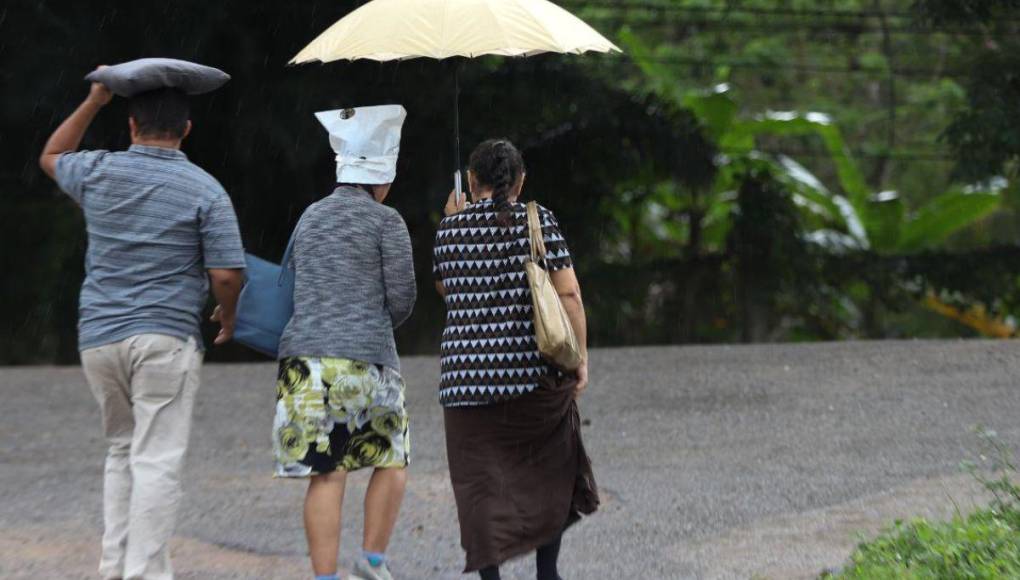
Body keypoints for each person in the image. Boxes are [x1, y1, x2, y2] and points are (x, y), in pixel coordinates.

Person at [38, 63, 245, 580]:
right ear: (187, 130)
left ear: (131, 125)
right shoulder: (205, 189)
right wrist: (228, 314)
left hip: (100, 338)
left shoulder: (100, 171)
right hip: (164, 337)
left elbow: (52, 155)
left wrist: (94, 101)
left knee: (121, 451)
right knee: (157, 460)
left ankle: (115, 568)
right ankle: (143, 575)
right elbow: (225, 273)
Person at [433, 139, 598, 579]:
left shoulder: (448, 229)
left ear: (472, 180)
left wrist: (456, 225)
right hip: (532, 378)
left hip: (465, 384)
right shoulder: (536, 220)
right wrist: (578, 357)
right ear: (520, 180)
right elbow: (569, 294)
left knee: (479, 487)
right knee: (550, 472)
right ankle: (548, 572)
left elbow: (449, 293)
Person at [274, 105, 416, 580]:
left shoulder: (310, 217)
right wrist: (372, 322)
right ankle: (372, 562)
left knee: (326, 473)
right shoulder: (387, 222)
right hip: (367, 359)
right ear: (384, 177)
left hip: (306, 364)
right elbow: (403, 299)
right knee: (391, 458)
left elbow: (292, 285)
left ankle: (325, 577)